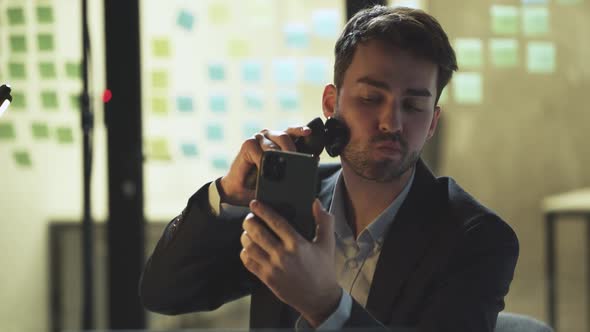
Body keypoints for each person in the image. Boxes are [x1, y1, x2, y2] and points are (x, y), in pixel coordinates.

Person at [140, 5, 519, 331]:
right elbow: (163, 292)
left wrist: (326, 306)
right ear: (330, 103)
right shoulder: (291, 202)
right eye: (371, 98)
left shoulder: (477, 239)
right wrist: (225, 193)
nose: (392, 122)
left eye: (414, 105)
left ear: (432, 123)